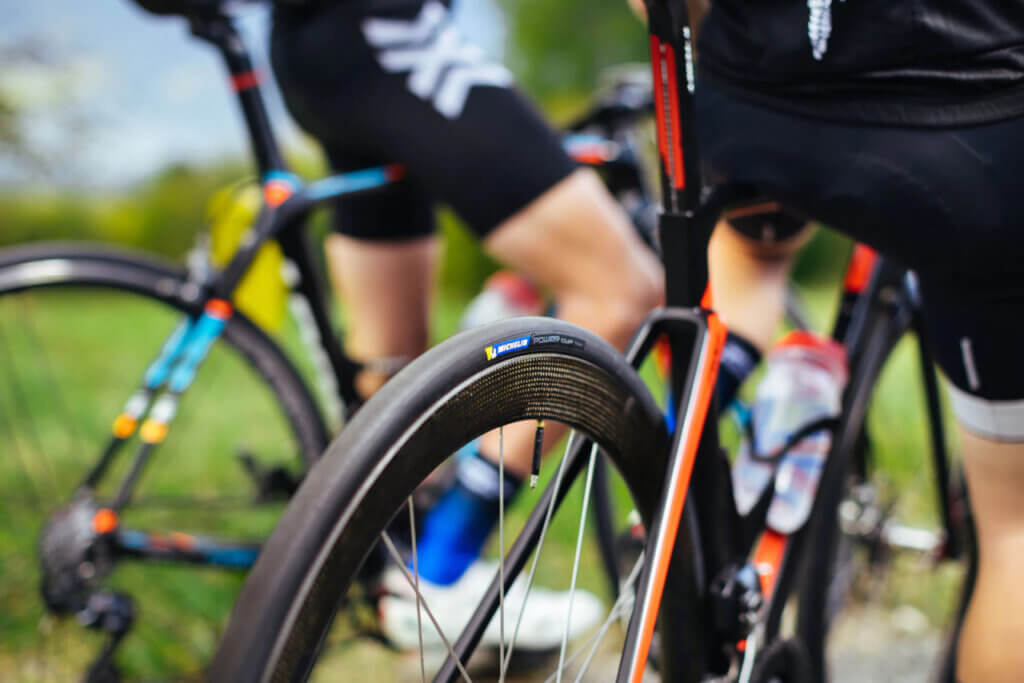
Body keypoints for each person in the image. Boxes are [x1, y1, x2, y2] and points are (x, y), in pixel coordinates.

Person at [269, 0, 664, 649]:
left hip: (324, 47)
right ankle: (439, 574)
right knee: (621, 288)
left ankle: (409, 576)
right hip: (390, 36)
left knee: (394, 396)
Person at [685, 0, 1024, 679]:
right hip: (959, 134)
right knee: (1016, 528)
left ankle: (678, 473)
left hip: (748, 110)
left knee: (753, 259)